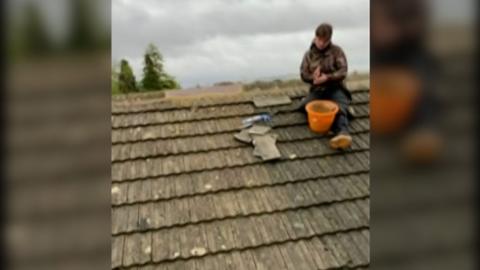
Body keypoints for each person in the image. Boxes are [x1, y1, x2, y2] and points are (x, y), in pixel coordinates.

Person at [299, 23, 353, 150]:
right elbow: (303, 74)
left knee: (339, 109)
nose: (321, 43)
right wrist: (313, 78)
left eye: (325, 41)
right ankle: (344, 111)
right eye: (319, 40)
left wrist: (327, 77)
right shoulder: (309, 55)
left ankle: (342, 134)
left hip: (336, 88)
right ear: (315, 37)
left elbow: (343, 71)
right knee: (304, 107)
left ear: (329, 39)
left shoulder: (337, 51)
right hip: (317, 90)